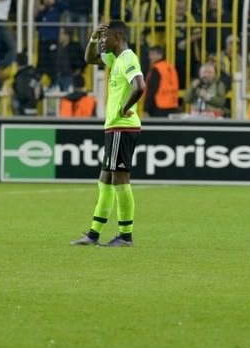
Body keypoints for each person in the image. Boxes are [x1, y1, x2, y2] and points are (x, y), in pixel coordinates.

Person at [72, 20, 146, 247]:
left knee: (119, 178)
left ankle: (126, 236)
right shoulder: (116, 59)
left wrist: (124, 108)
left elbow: (140, 86)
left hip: (122, 126)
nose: (103, 43)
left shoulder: (128, 59)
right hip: (115, 127)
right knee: (105, 178)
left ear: (117, 37)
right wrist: (93, 37)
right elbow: (89, 59)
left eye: (105, 38)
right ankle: (93, 234)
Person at [144, 46, 180, 117]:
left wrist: (147, 108)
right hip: (172, 104)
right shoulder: (170, 67)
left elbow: (152, 89)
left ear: (159, 55)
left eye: (152, 54)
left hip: (158, 106)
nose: (150, 57)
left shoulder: (157, 68)